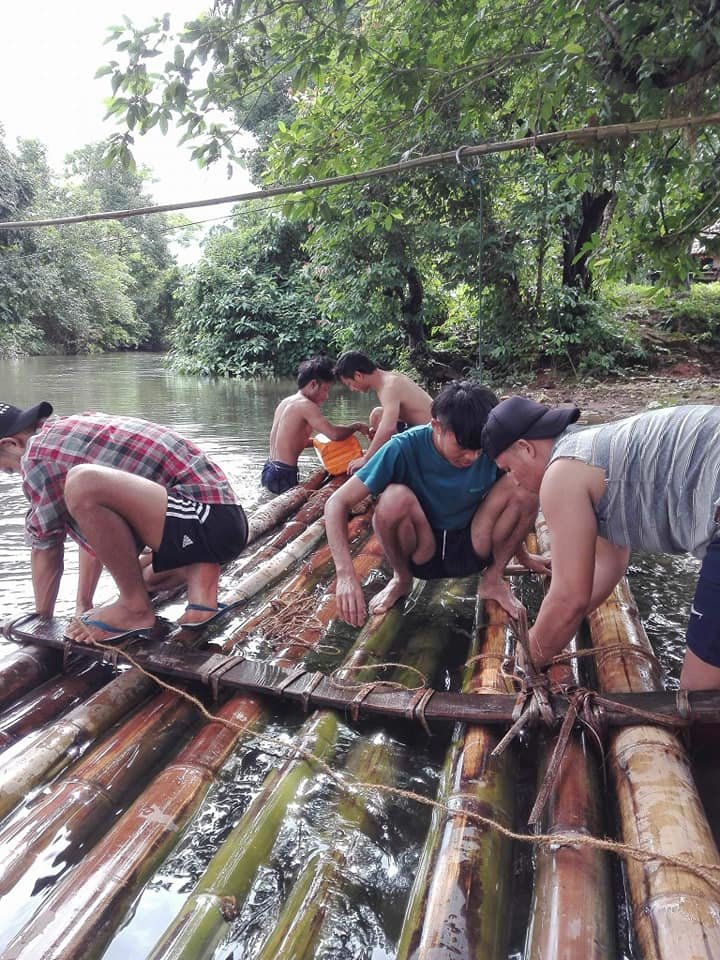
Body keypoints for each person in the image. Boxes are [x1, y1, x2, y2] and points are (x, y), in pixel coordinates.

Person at [480, 397, 720, 690]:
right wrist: (548, 631)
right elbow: (608, 564)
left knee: (700, 693)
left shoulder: (561, 473)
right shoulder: (592, 451)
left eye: (508, 469)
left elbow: (569, 599)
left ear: (525, 448)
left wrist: (525, 660)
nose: (514, 481)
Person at [0, 401, 248, 644]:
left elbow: (45, 546)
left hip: (206, 520)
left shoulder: (35, 455)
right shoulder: (67, 432)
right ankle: (196, 574)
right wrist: (83, 605)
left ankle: (134, 610)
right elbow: (95, 529)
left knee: (82, 481)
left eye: (8, 469)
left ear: (10, 444)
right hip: (218, 522)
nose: (15, 473)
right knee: (142, 577)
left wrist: (41, 621)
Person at [325, 381, 548, 627]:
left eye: (479, 449)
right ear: (436, 427)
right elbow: (336, 503)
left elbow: (515, 500)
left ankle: (493, 580)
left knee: (524, 485)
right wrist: (345, 575)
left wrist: (522, 555)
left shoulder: (490, 446)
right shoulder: (402, 447)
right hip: (423, 552)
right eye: (463, 448)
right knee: (393, 498)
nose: (473, 457)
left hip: (473, 546)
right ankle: (401, 579)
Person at [262, 356, 369, 494]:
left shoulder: (286, 402)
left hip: (269, 468)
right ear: (313, 384)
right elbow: (334, 434)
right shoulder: (306, 405)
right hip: (284, 473)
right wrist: (356, 426)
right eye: (325, 390)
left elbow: (287, 441)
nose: (326, 396)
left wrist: (316, 443)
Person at [333, 351, 433, 474]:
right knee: (377, 415)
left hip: (432, 438)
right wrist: (378, 437)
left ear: (358, 375)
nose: (352, 389)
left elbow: (388, 427)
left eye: (349, 384)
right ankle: (386, 455)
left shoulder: (389, 387)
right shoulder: (386, 380)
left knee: (382, 429)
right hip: (421, 429)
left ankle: (395, 465)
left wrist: (367, 458)